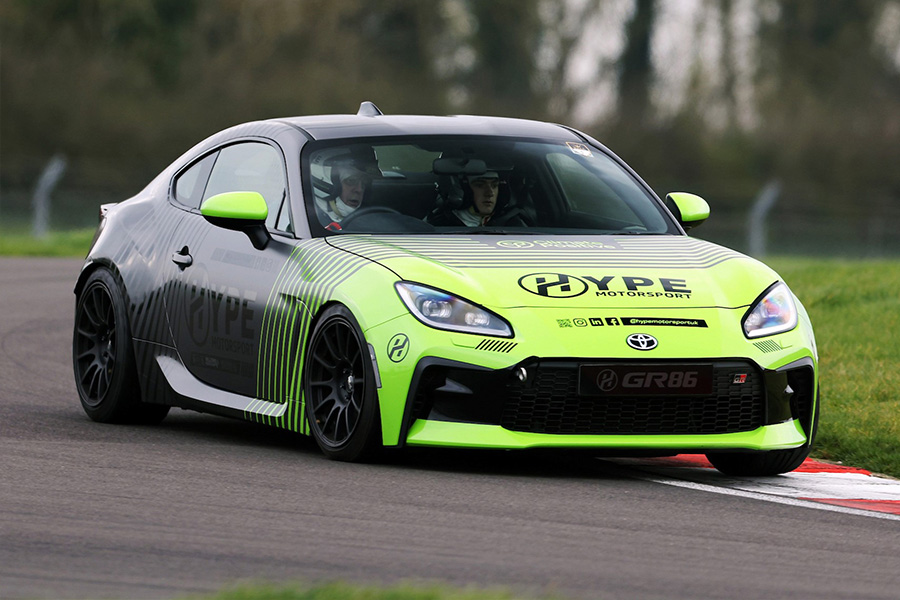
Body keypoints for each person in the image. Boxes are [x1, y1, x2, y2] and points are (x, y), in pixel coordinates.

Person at [315, 149, 381, 228]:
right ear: (326, 182)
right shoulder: (305, 222)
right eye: (351, 181)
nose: (359, 190)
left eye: (364, 183)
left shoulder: (373, 222)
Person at [429, 171, 500, 227]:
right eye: (480, 185)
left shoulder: (506, 223)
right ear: (463, 189)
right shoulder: (439, 226)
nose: (490, 193)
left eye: (494, 185)